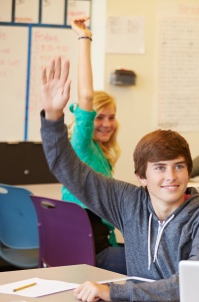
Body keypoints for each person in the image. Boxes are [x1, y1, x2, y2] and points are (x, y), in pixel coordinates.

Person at [39, 56, 199, 302]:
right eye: (160, 168)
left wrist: (116, 292)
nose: (171, 176)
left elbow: (193, 282)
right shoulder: (130, 203)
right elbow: (68, 170)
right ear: (142, 177)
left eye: (179, 167)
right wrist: (53, 118)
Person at [65, 17, 125, 274]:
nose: (106, 123)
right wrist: (84, 39)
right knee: (163, 265)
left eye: (111, 117)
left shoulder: (99, 153)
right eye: (99, 116)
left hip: (95, 247)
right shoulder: (82, 146)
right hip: (93, 256)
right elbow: (86, 96)